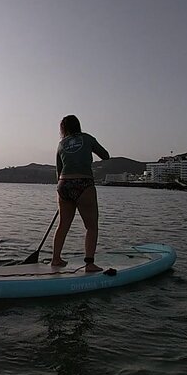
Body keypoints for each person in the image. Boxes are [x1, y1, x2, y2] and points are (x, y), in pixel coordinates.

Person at [51, 115, 110, 272]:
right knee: (91, 226)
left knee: (63, 225)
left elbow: (58, 172)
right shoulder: (88, 138)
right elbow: (106, 155)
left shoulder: (61, 144)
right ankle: (89, 264)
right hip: (83, 183)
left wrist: (64, 195)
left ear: (63, 129)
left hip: (63, 184)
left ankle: (55, 259)